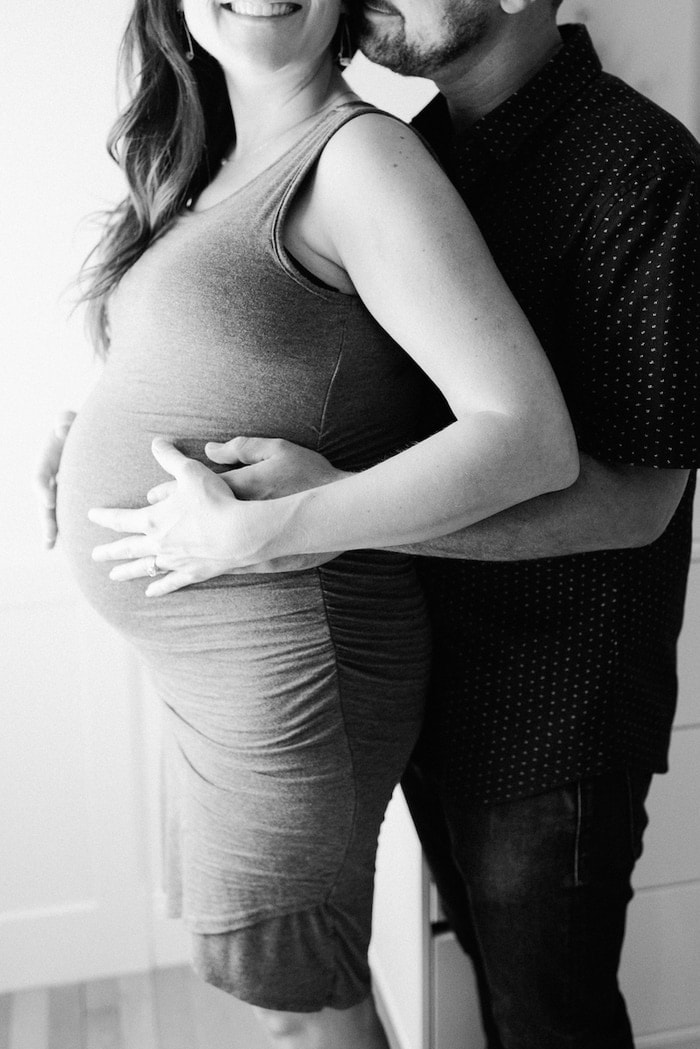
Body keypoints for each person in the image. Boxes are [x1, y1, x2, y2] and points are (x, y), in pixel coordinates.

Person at [48, 1, 697, 1047]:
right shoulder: (431, 139)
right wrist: (104, 432)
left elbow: (627, 494)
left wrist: (303, 521)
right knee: (359, 985)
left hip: (552, 690)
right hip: (420, 649)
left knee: (532, 1013)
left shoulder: (629, 165)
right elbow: (330, 374)